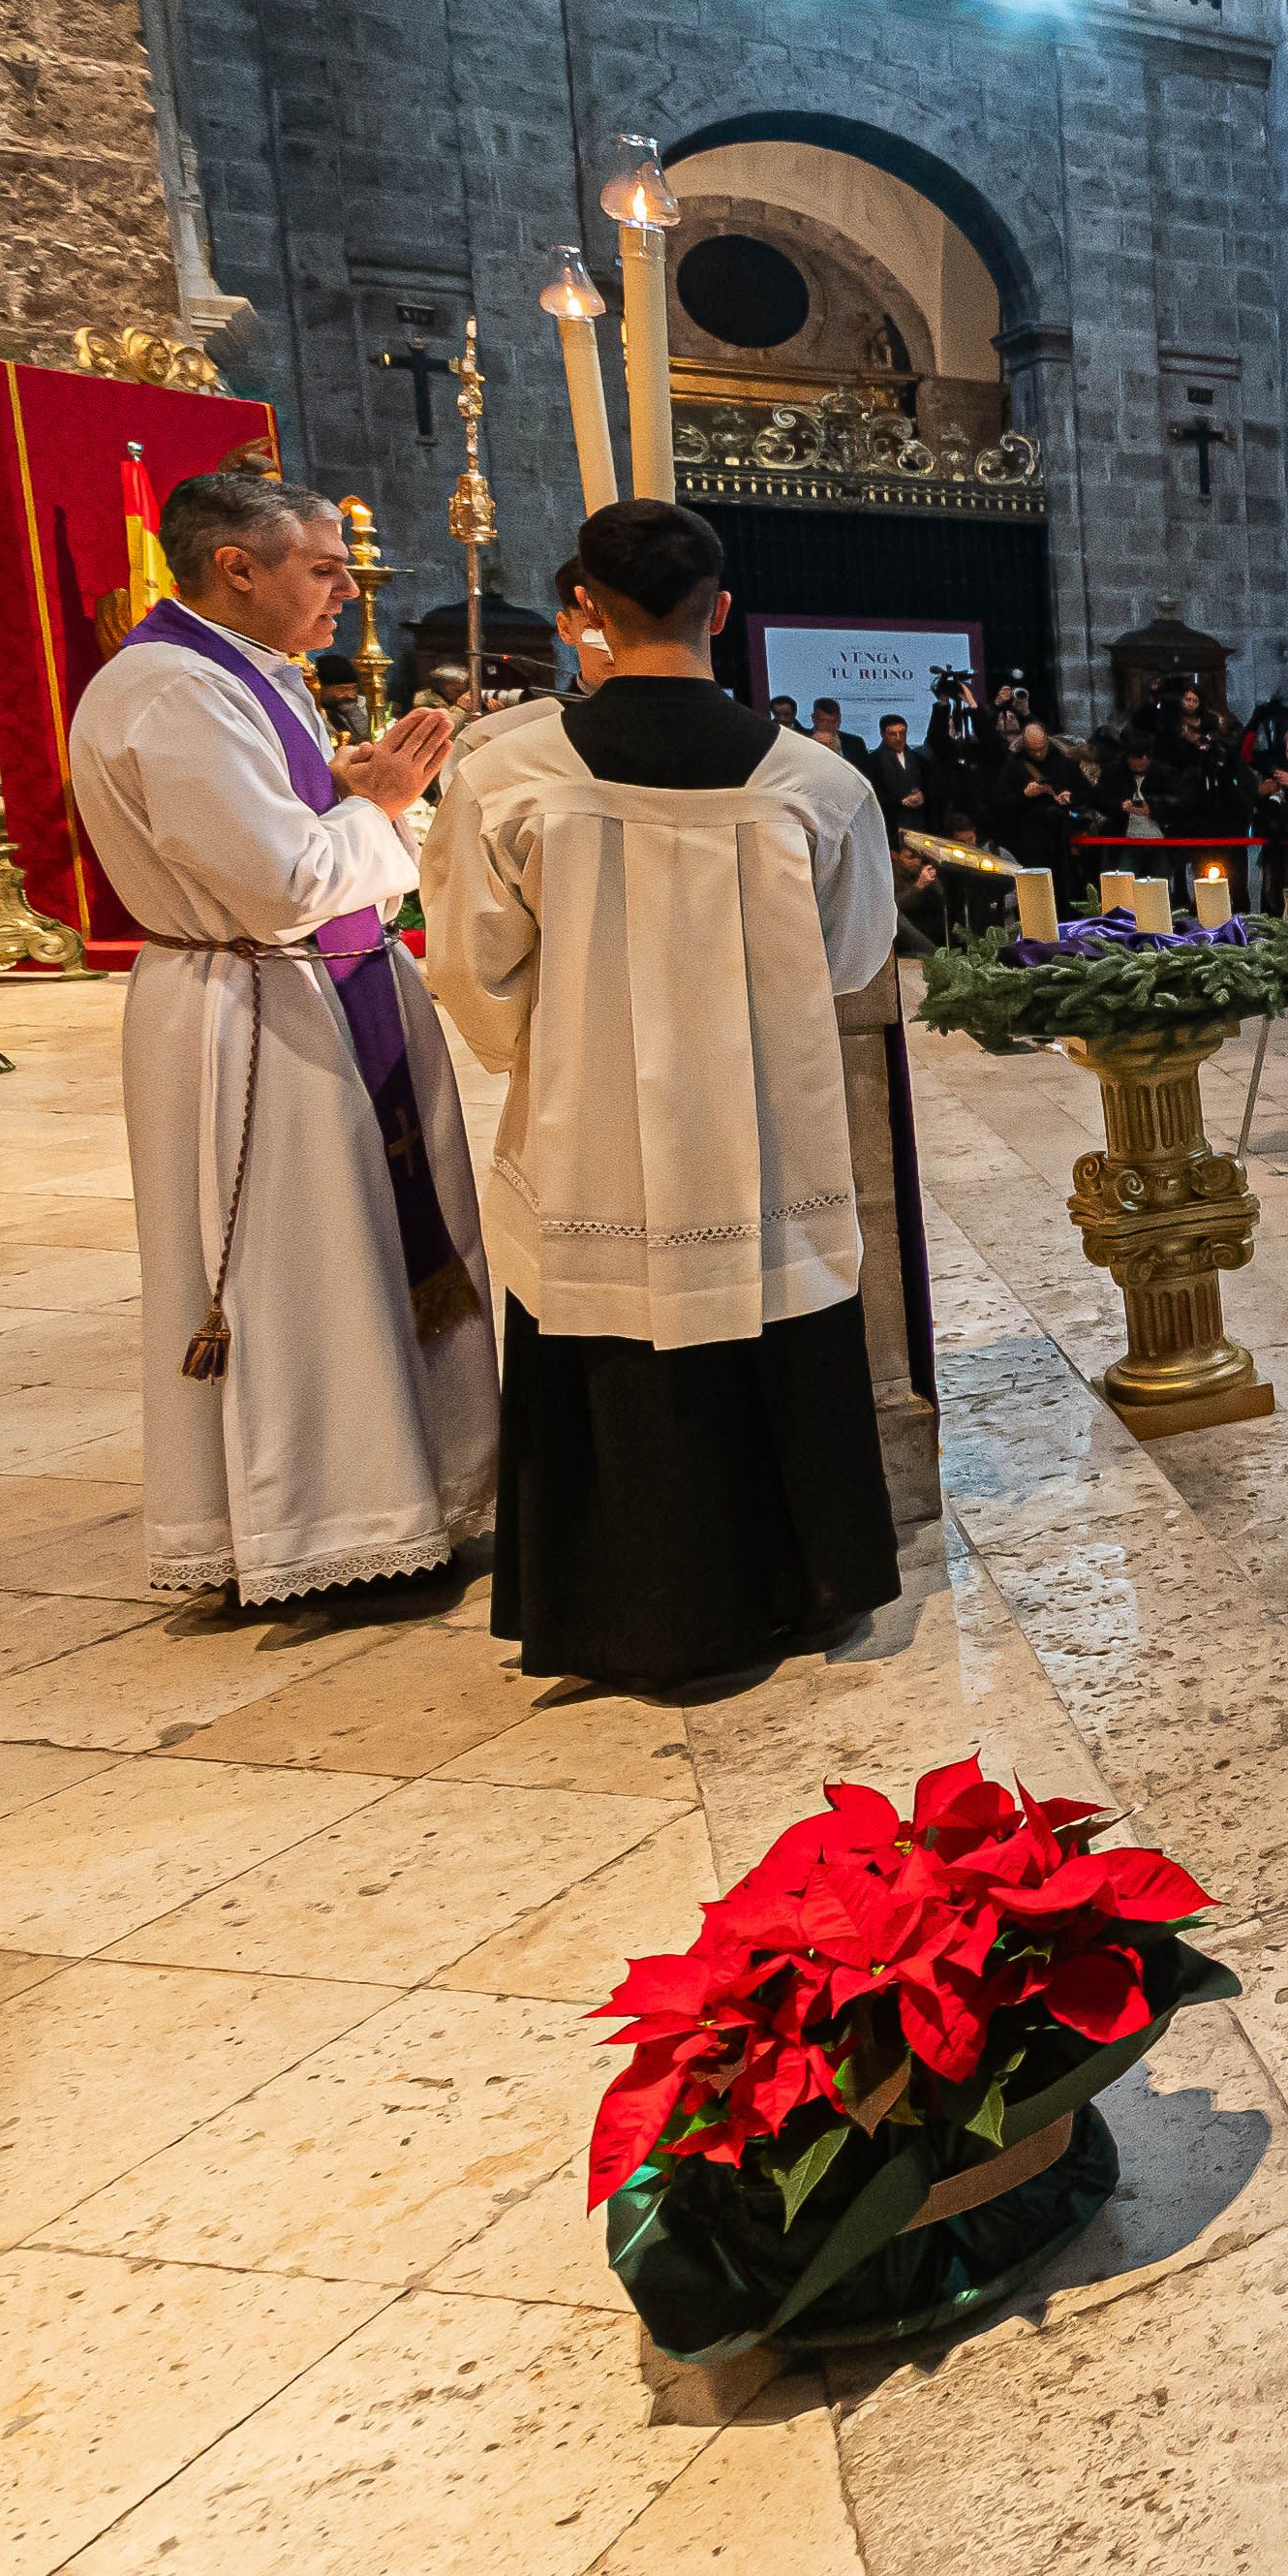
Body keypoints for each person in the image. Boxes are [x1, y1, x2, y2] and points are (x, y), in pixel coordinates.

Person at [421, 500, 901, 1688]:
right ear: (722, 611)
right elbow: (849, 962)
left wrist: (563, 1029)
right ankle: (806, 1589)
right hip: (768, 1131)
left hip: (596, 1141)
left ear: (584, 608)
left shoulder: (509, 775)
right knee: (778, 1335)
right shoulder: (817, 783)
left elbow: (471, 968)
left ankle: (619, 1612)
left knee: (611, 1348)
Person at [68, 467, 495, 1616]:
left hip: (312, 993)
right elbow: (283, 884)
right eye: (323, 567)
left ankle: (406, 1494)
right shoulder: (170, 692)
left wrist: (344, 787)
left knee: (357, 1252)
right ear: (235, 567)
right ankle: (319, 1520)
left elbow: (274, 833)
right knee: (298, 1270)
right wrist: (381, 806)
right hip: (252, 1014)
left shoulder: (245, 674)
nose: (348, 588)